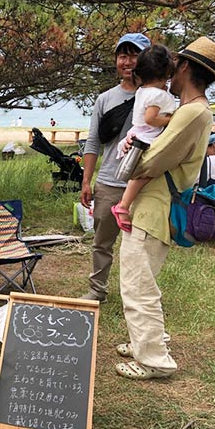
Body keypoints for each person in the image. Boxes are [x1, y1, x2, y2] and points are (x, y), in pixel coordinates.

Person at [115, 36, 215, 380]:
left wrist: (131, 157)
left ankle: (153, 360)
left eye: (176, 65)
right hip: (156, 205)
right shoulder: (191, 111)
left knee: (137, 284)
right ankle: (144, 342)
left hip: (155, 206)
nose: (170, 72)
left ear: (186, 68)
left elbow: (155, 159)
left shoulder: (192, 112)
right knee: (142, 279)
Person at [79, 32, 151, 303]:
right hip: (109, 182)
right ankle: (97, 291)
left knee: (141, 245)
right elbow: (93, 142)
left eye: (135, 55)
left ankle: (138, 295)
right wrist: (87, 181)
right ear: (116, 60)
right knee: (102, 243)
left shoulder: (155, 97)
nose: (128, 61)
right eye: (123, 55)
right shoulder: (105, 99)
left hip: (145, 183)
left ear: (146, 59)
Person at [111, 44, 176, 231]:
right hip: (147, 136)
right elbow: (151, 118)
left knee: (138, 174)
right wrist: (170, 120)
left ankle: (126, 204)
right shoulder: (158, 94)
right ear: (166, 73)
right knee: (143, 175)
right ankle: (123, 206)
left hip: (136, 132)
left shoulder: (142, 90)